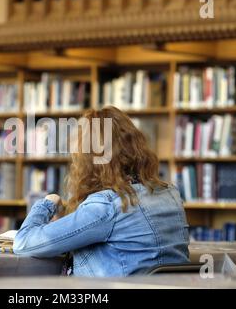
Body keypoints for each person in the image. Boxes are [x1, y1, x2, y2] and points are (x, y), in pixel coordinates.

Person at [13, 106, 190, 277]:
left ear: (87, 160)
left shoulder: (107, 206)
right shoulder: (171, 194)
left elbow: (24, 243)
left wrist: (48, 203)